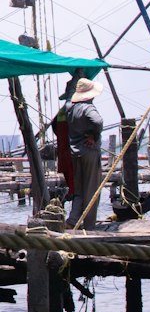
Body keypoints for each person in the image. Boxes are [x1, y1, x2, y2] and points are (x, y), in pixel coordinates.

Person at [60, 73, 105, 228]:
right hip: (89, 151)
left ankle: (73, 221)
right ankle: (89, 226)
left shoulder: (70, 107)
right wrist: (93, 135)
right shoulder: (88, 107)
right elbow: (98, 121)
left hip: (75, 153)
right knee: (92, 191)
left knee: (79, 190)